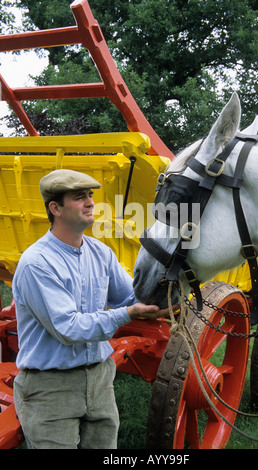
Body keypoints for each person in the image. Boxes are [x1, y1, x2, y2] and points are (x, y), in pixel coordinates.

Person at [12, 169, 172, 449]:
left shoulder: (100, 252)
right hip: (51, 389)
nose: (89, 202)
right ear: (55, 208)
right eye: (78, 197)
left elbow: (129, 297)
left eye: (90, 195)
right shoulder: (37, 263)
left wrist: (166, 294)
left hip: (100, 378)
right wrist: (129, 314)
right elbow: (68, 328)